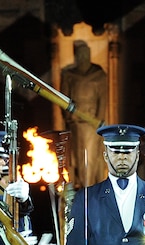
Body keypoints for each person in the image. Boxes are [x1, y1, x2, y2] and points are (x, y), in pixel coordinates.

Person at [60, 40, 108, 188]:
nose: (82, 57)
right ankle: (81, 185)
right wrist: (70, 116)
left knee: (91, 157)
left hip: (92, 123)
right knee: (78, 158)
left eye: (85, 54)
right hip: (76, 123)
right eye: (79, 54)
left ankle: (90, 186)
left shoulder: (98, 75)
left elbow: (103, 98)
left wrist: (98, 120)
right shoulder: (69, 75)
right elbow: (63, 98)